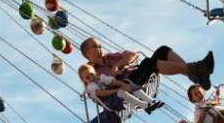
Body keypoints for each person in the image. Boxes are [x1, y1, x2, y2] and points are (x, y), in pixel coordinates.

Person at [80, 37, 214, 90]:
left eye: (99, 45)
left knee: (162, 50)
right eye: (95, 47)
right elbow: (99, 89)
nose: (100, 48)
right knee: (150, 62)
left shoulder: (110, 57)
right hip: (126, 84)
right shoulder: (90, 71)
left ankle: (196, 74)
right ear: (87, 53)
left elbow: (133, 55)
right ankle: (197, 70)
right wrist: (114, 76)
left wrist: (117, 65)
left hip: (136, 74)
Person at [78, 63, 164, 114]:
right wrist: (115, 90)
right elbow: (100, 93)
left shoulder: (101, 78)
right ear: (84, 80)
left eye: (91, 74)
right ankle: (145, 105)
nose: (91, 78)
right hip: (109, 102)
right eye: (87, 77)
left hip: (115, 95)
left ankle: (151, 101)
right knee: (121, 92)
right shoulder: (90, 86)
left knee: (130, 86)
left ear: (94, 73)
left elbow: (112, 81)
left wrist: (124, 85)